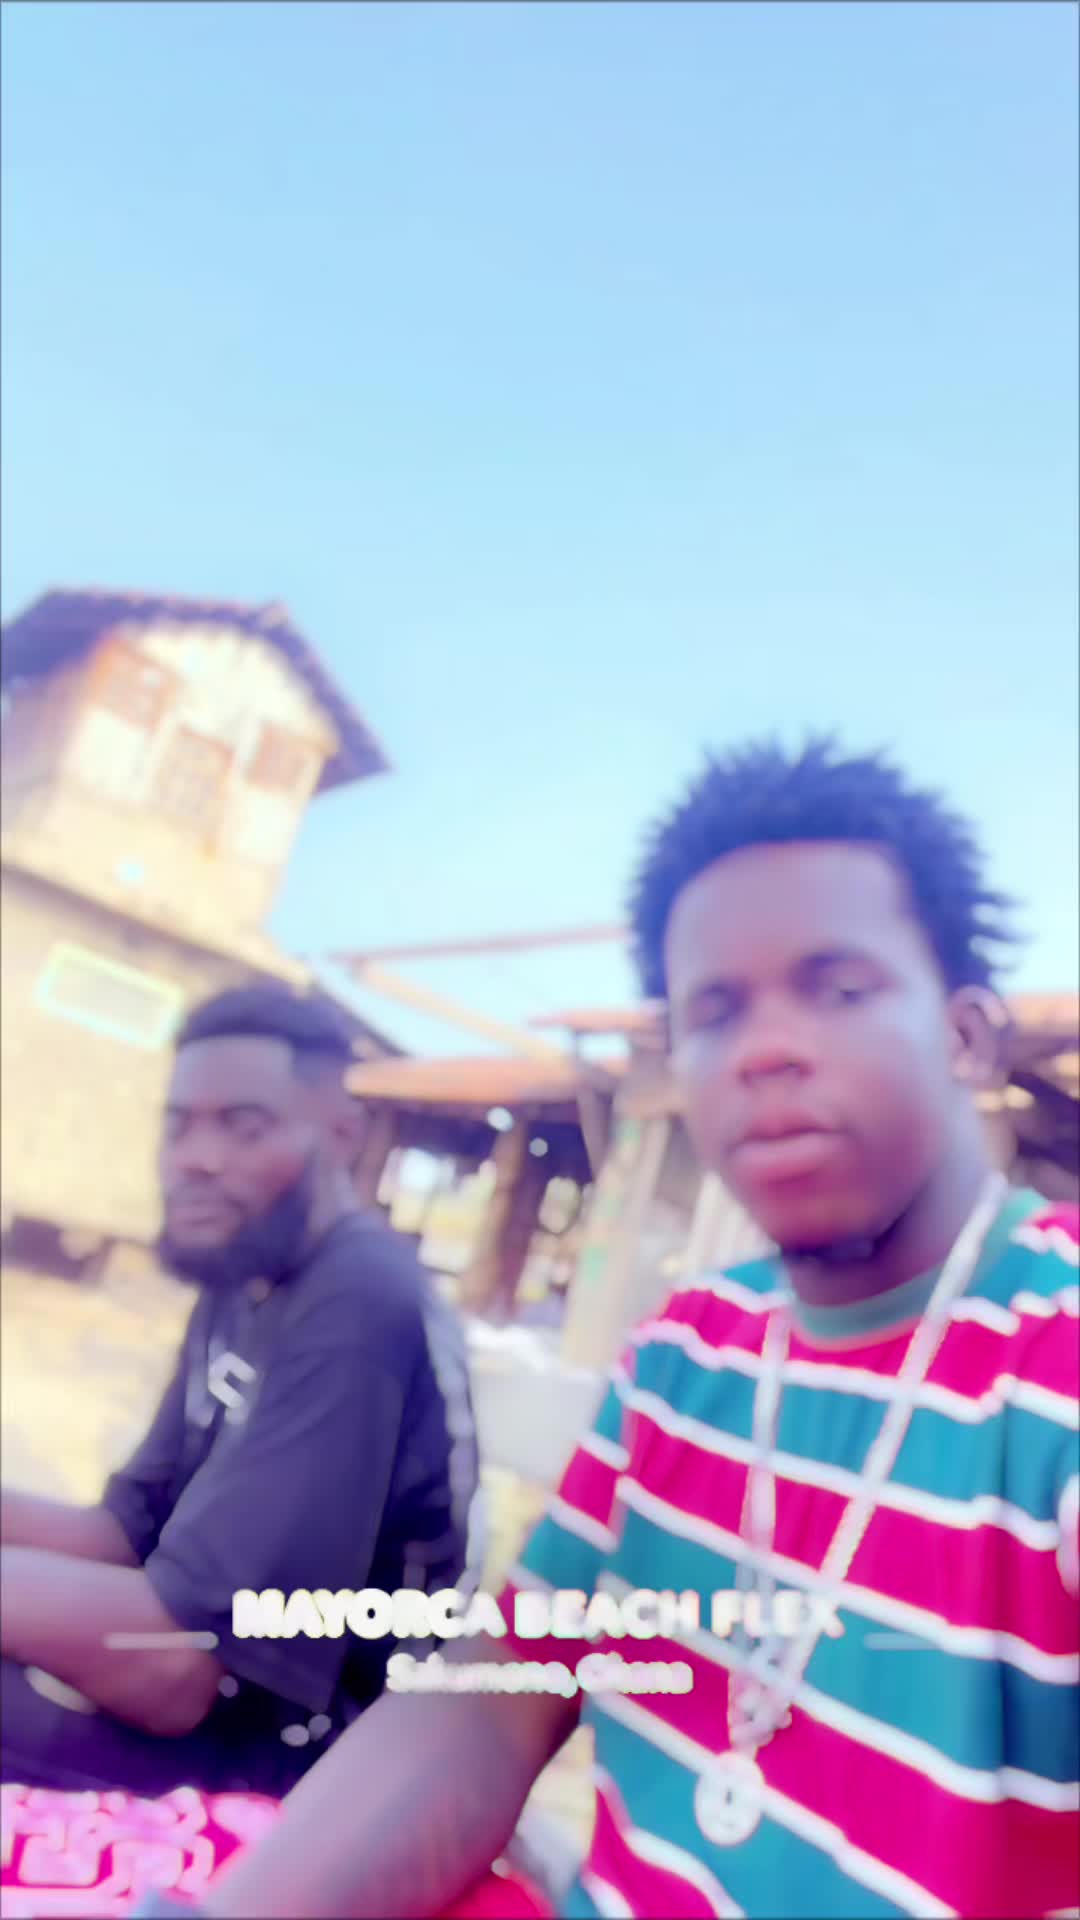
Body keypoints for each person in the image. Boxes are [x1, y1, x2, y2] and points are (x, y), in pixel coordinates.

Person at [161, 743, 1080, 1918]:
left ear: (966, 1036)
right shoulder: (682, 1357)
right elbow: (496, 1700)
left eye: (839, 988)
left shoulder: (1051, 1351)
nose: (766, 1049)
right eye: (714, 1011)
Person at [0, 985, 480, 1799]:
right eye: (178, 1125)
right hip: (218, 1717)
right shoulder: (244, 1268)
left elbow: (177, 1670)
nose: (196, 1157)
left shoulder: (359, 1303)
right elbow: (124, 1532)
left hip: (315, 1773)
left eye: (243, 1127)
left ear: (341, 1136)